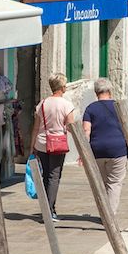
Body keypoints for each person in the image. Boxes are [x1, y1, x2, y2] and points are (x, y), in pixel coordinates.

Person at [31, 73, 76, 222]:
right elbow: (70, 126)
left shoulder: (42, 104)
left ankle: (47, 208)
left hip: (42, 142)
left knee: (46, 176)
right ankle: (50, 211)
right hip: (57, 143)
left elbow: (36, 127)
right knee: (54, 176)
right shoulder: (66, 105)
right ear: (62, 87)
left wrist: (32, 146)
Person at [83, 78, 128, 215]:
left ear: (96, 92)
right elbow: (127, 129)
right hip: (117, 150)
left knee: (102, 183)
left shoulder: (90, 109)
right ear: (109, 91)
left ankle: (105, 213)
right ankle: (110, 216)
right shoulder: (118, 106)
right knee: (114, 183)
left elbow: (86, 131)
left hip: (97, 151)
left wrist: (84, 152)